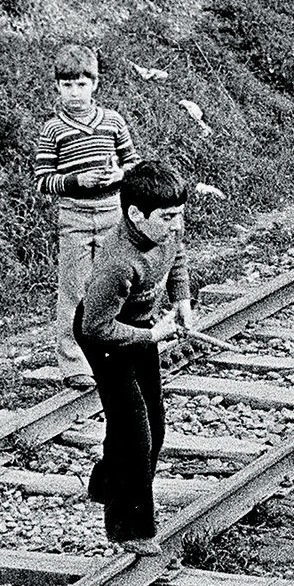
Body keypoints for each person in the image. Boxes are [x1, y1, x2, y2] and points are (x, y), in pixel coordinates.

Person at [75, 159, 194, 556]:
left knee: (155, 421)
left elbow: (177, 257)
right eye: (167, 217)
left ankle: (106, 483)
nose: (176, 225)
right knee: (134, 432)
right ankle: (130, 528)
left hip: (141, 329)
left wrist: (183, 303)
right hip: (106, 336)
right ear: (135, 215)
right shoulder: (117, 262)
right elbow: (95, 328)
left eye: (180, 214)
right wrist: (151, 335)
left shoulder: (165, 229)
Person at [33, 43, 139, 389]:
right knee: (74, 289)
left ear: (95, 84)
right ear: (56, 87)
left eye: (81, 84)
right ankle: (74, 363)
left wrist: (119, 176)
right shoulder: (52, 129)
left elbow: (133, 163)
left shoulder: (112, 121)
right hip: (74, 216)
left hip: (112, 213)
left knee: (114, 284)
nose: (74, 92)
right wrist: (77, 180)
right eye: (67, 85)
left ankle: (116, 349)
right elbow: (42, 180)